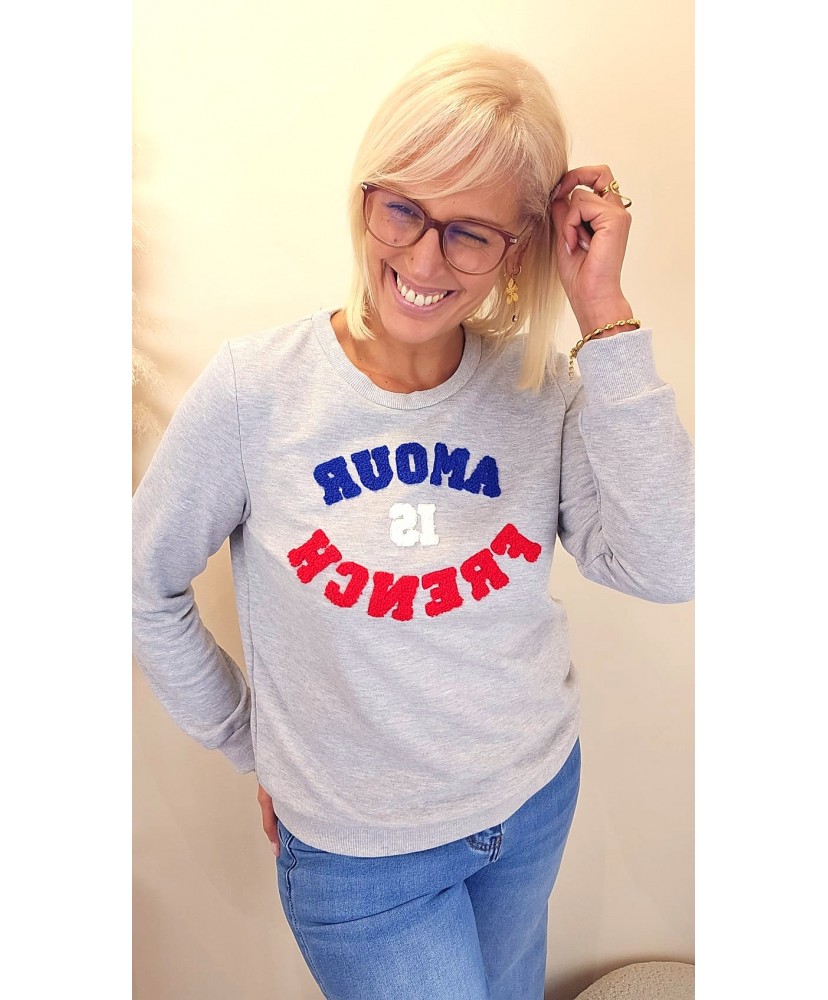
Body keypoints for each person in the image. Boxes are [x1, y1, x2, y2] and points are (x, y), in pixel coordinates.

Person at [132, 43, 693, 1000]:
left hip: (530, 801)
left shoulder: (539, 390)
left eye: (470, 232)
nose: (424, 261)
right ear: (365, 198)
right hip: (363, 862)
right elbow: (143, 583)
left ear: (518, 248)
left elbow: (668, 563)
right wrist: (257, 743)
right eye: (402, 209)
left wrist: (603, 313)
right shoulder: (255, 393)